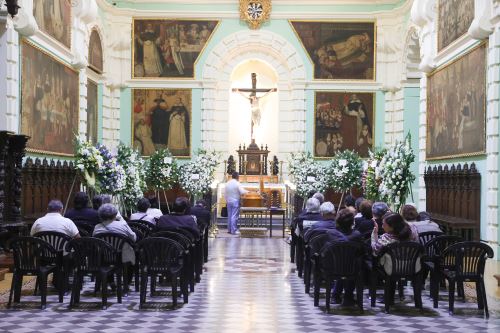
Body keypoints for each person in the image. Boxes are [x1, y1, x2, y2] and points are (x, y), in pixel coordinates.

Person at [326, 209, 363, 306]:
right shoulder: (357, 235)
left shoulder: (330, 233)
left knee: (341, 263)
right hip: (352, 269)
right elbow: (361, 252)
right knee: (350, 263)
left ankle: (335, 295)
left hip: (332, 267)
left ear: (337, 221)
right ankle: (348, 296)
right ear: (352, 222)